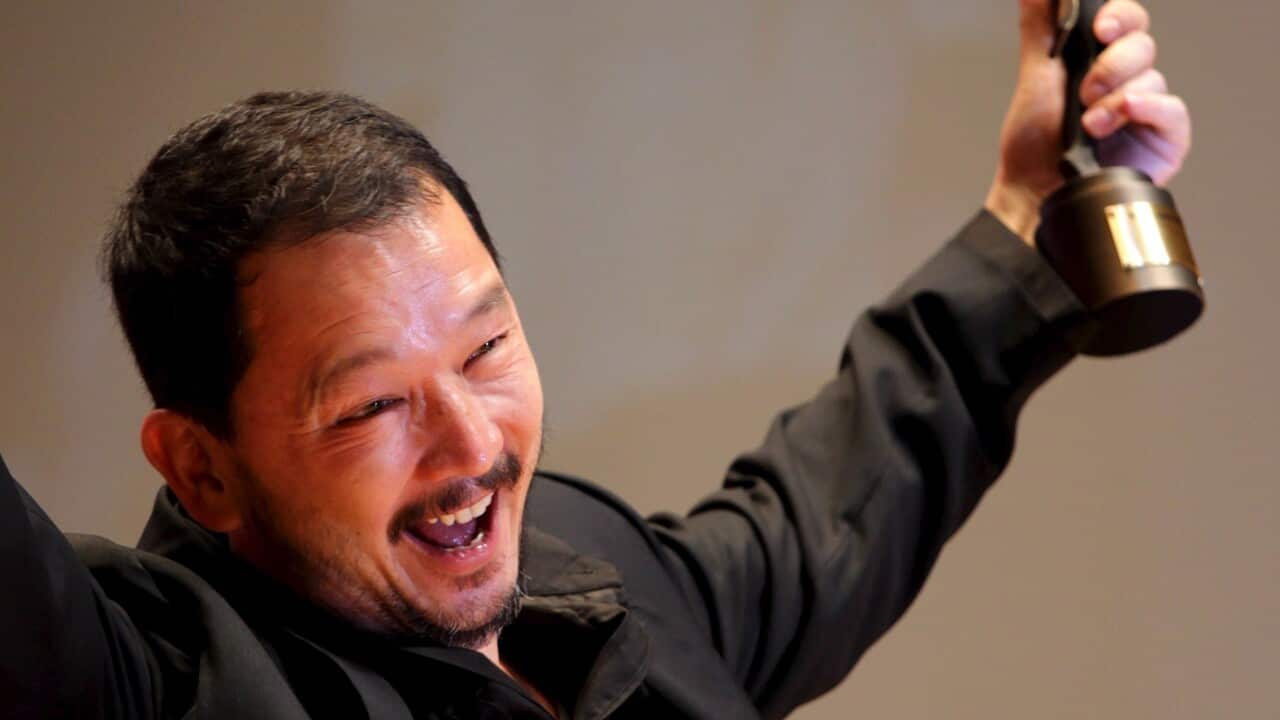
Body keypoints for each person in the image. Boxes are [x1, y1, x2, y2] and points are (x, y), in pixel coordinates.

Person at [1, 2, 1190, 718]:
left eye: (487, 348)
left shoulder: (587, 575)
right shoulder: (150, 676)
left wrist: (1028, 214)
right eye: (370, 406)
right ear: (200, 470)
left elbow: (818, 522)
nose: (473, 449)